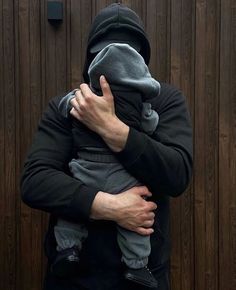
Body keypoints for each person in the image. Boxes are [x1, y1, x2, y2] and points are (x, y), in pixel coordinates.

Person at [21, 3, 193, 290]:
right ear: (91, 60)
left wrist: (111, 128)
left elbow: (177, 174)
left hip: (143, 278)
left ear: (142, 58)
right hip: (72, 276)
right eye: (105, 52)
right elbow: (35, 181)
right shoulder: (70, 105)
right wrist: (110, 206)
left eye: (128, 52)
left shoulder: (164, 101)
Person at [52, 42, 160, 289]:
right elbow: (150, 123)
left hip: (85, 168)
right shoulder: (139, 99)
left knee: (70, 212)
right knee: (137, 220)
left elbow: (64, 107)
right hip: (124, 175)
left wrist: (71, 103)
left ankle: (68, 249)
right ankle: (137, 266)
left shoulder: (86, 97)